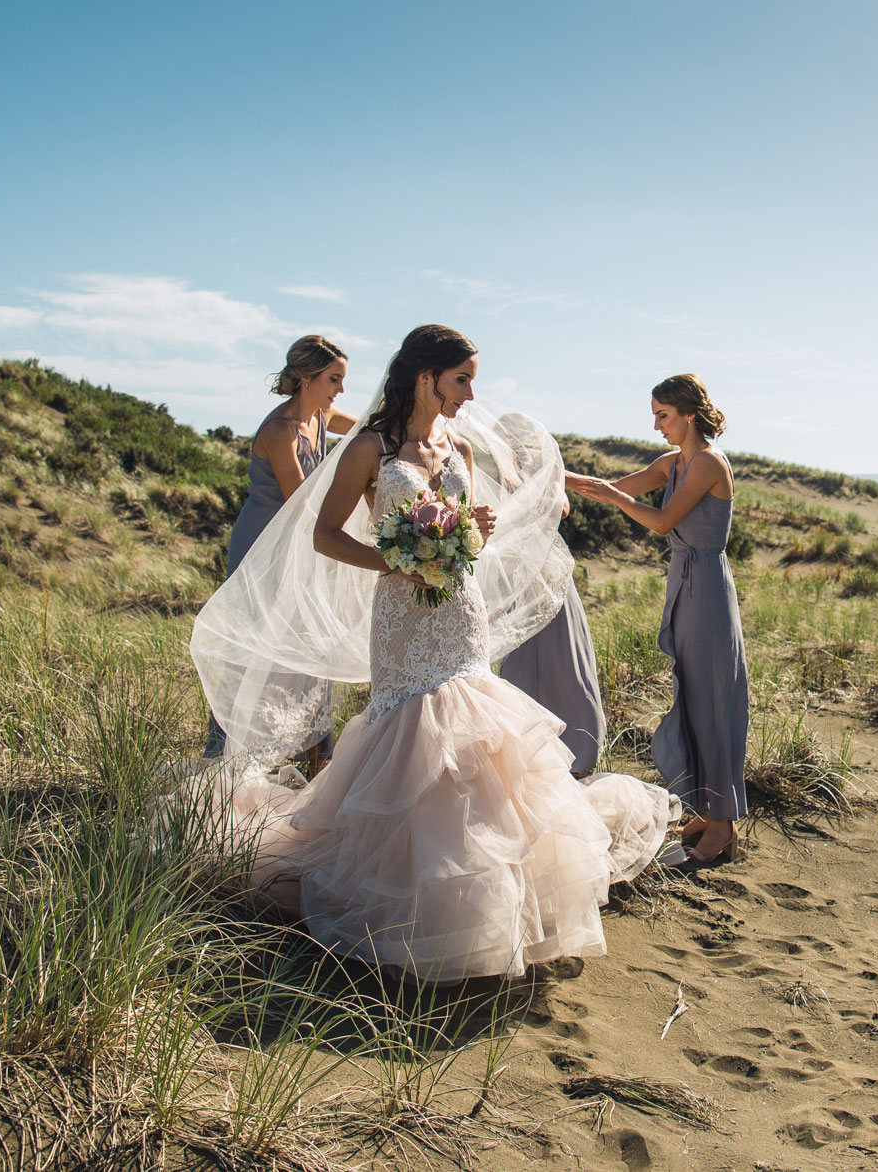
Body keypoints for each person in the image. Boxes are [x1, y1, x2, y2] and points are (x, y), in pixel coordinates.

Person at [190, 324, 676, 981]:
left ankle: (486, 898)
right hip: (401, 619)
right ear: (426, 377)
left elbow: (466, 530)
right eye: (461, 380)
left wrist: (471, 534)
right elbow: (327, 536)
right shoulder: (370, 448)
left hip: (459, 612)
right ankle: (404, 899)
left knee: (474, 738)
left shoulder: (458, 447)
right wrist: (396, 560)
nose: (470, 394)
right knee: (410, 737)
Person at [568, 374, 749, 864]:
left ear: (688, 413)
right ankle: (709, 811)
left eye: (662, 415)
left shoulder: (709, 462)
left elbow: (662, 520)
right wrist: (553, 478)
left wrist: (618, 500)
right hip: (683, 584)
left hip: (708, 587)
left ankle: (724, 827)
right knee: (691, 695)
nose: (655, 426)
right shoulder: (673, 462)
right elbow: (612, 489)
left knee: (712, 698)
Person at [203, 335, 356, 757]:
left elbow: (362, 427)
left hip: (299, 544)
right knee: (255, 646)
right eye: (334, 379)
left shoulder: (322, 415)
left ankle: (310, 751)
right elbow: (299, 498)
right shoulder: (278, 429)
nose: (340, 389)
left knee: (306, 640)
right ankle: (228, 753)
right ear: (307, 378)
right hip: (262, 544)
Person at [499, 497, 606, 777]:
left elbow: (563, 507)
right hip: (512, 561)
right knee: (519, 662)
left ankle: (576, 751)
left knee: (562, 654)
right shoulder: (485, 456)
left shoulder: (541, 452)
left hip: (543, 559)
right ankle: (521, 750)